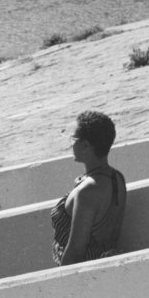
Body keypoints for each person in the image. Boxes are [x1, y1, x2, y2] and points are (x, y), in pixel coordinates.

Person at [51, 110, 127, 265]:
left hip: (85, 274)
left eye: (73, 139)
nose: (71, 143)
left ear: (85, 145)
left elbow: (76, 250)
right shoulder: (117, 178)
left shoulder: (88, 192)